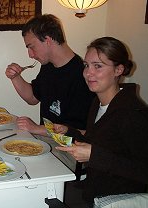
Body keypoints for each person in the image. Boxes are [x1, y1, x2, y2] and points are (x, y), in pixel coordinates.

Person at [55, 37, 148, 206]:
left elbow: (143, 171)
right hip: (93, 187)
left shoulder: (132, 114)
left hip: (117, 198)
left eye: (98, 66)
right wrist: (70, 131)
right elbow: (101, 142)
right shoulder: (98, 102)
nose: (88, 73)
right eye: (86, 65)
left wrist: (94, 156)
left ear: (118, 70)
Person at [5, 14, 95, 136]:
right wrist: (15, 77)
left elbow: (75, 131)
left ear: (47, 40)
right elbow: (32, 98)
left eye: (31, 47)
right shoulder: (48, 65)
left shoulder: (82, 75)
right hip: (47, 141)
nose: (30, 55)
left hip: (69, 149)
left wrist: (36, 128)